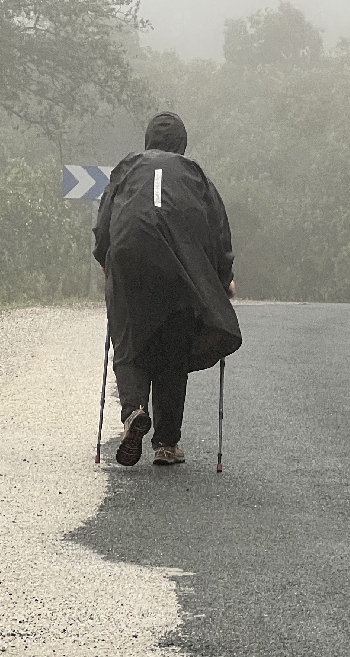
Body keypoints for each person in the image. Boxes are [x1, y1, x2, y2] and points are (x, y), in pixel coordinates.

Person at [93, 111, 242, 466]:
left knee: (129, 339)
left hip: (129, 258)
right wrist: (223, 279)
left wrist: (107, 264)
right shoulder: (194, 174)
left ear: (147, 141)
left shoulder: (126, 168)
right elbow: (218, 231)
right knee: (173, 346)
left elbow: (103, 226)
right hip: (179, 266)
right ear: (182, 144)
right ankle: (166, 444)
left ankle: (134, 411)